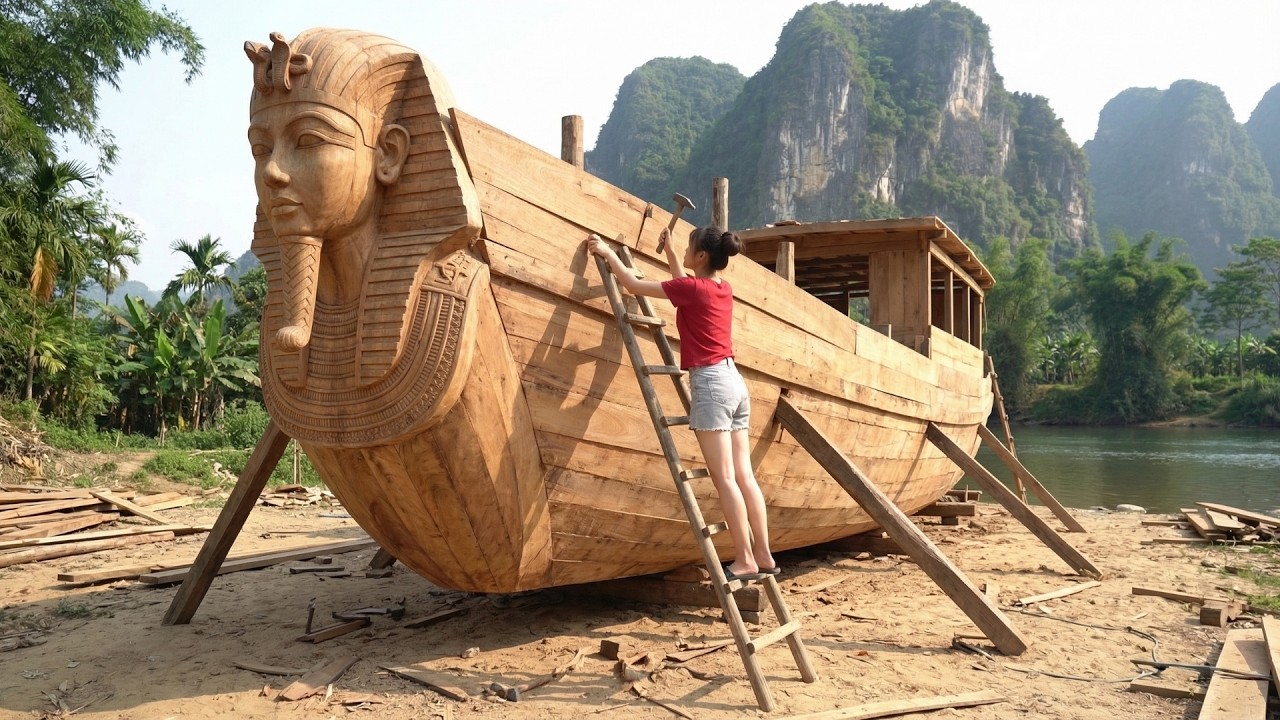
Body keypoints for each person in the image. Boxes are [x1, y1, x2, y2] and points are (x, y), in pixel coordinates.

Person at [588, 226, 778, 580]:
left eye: (691, 250)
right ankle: (764, 555)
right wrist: (674, 252)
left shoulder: (691, 288)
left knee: (724, 479)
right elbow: (687, 287)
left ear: (702, 256)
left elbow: (632, 284)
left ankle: (745, 559)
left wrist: (606, 252)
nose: (687, 256)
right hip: (734, 382)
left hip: (710, 384)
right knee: (744, 476)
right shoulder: (721, 288)